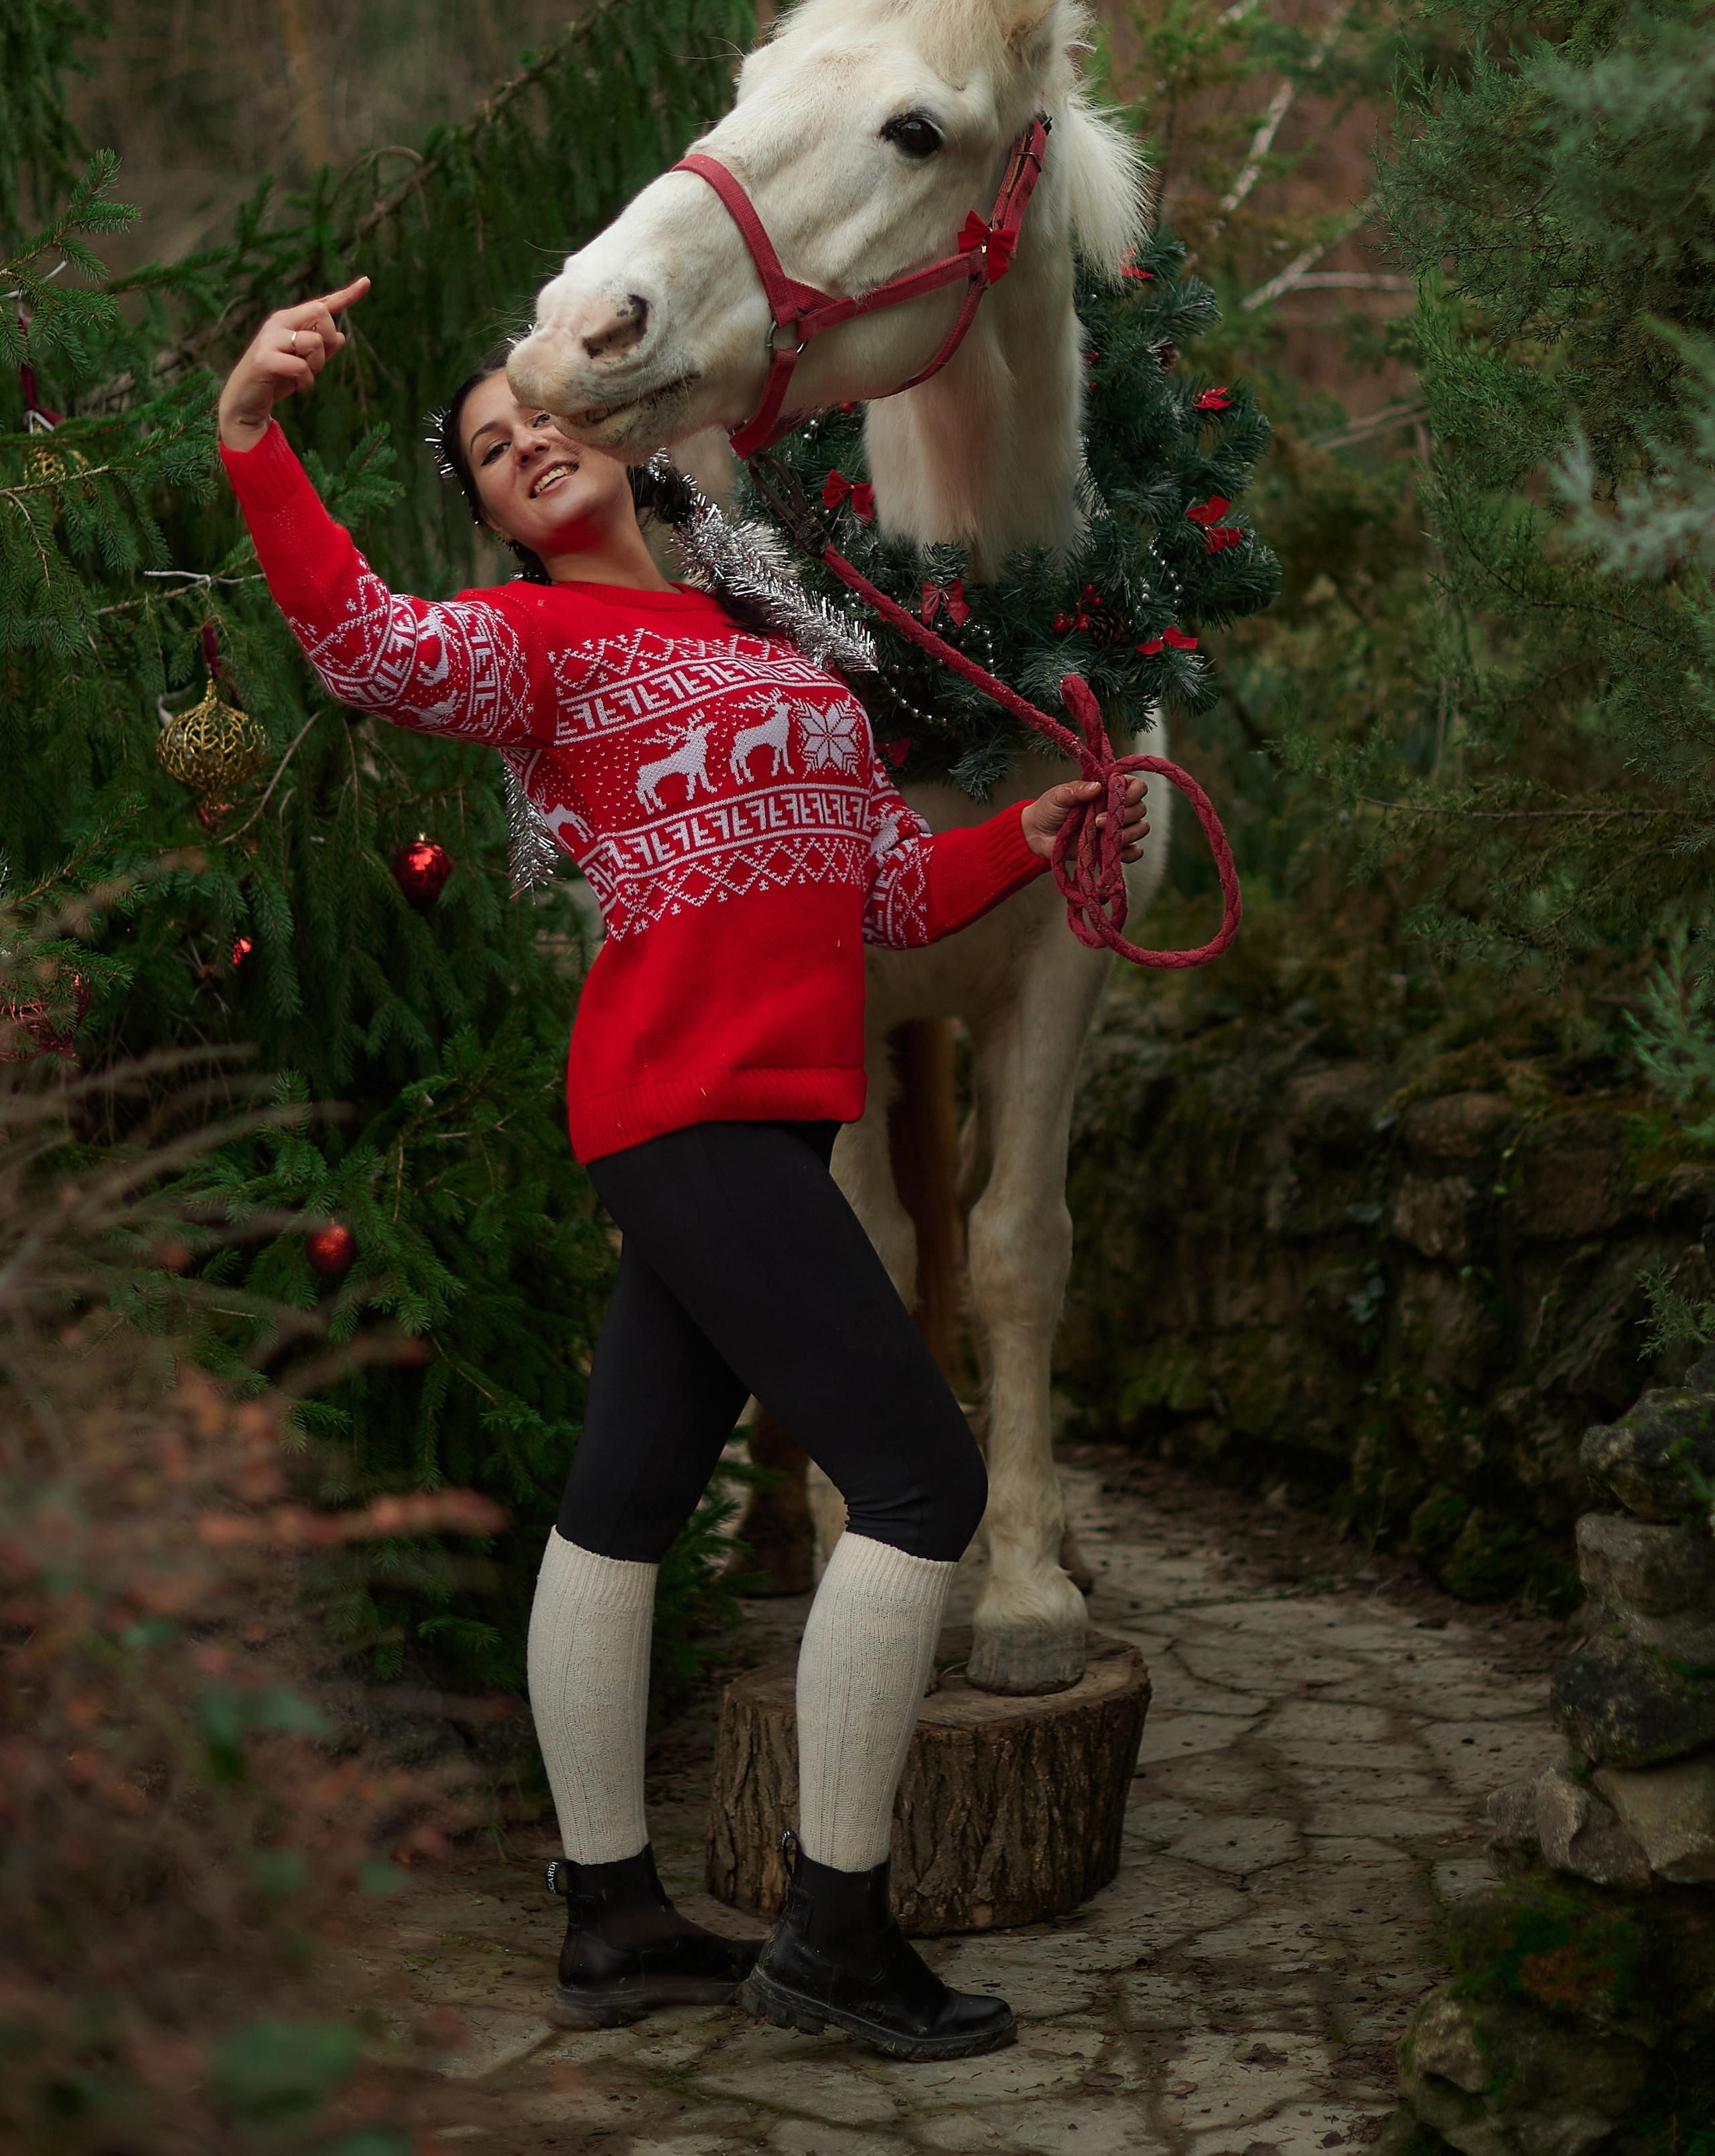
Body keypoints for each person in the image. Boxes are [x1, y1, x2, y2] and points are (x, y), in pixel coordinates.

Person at [216, 278, 1148, 2062]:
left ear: (614, 435)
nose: (524, 445)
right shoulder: (535, 645)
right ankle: (836, 1934)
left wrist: (1025, 837)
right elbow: (358, 641)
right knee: (924, 1482)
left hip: (752, 1119)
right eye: (490, 449)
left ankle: (613, 1919)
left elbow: (887, 891)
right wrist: (254, 434)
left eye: (539, 417)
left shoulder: (773, 641)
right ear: (498, 514)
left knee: (622, 1505)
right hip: (681, 1112)